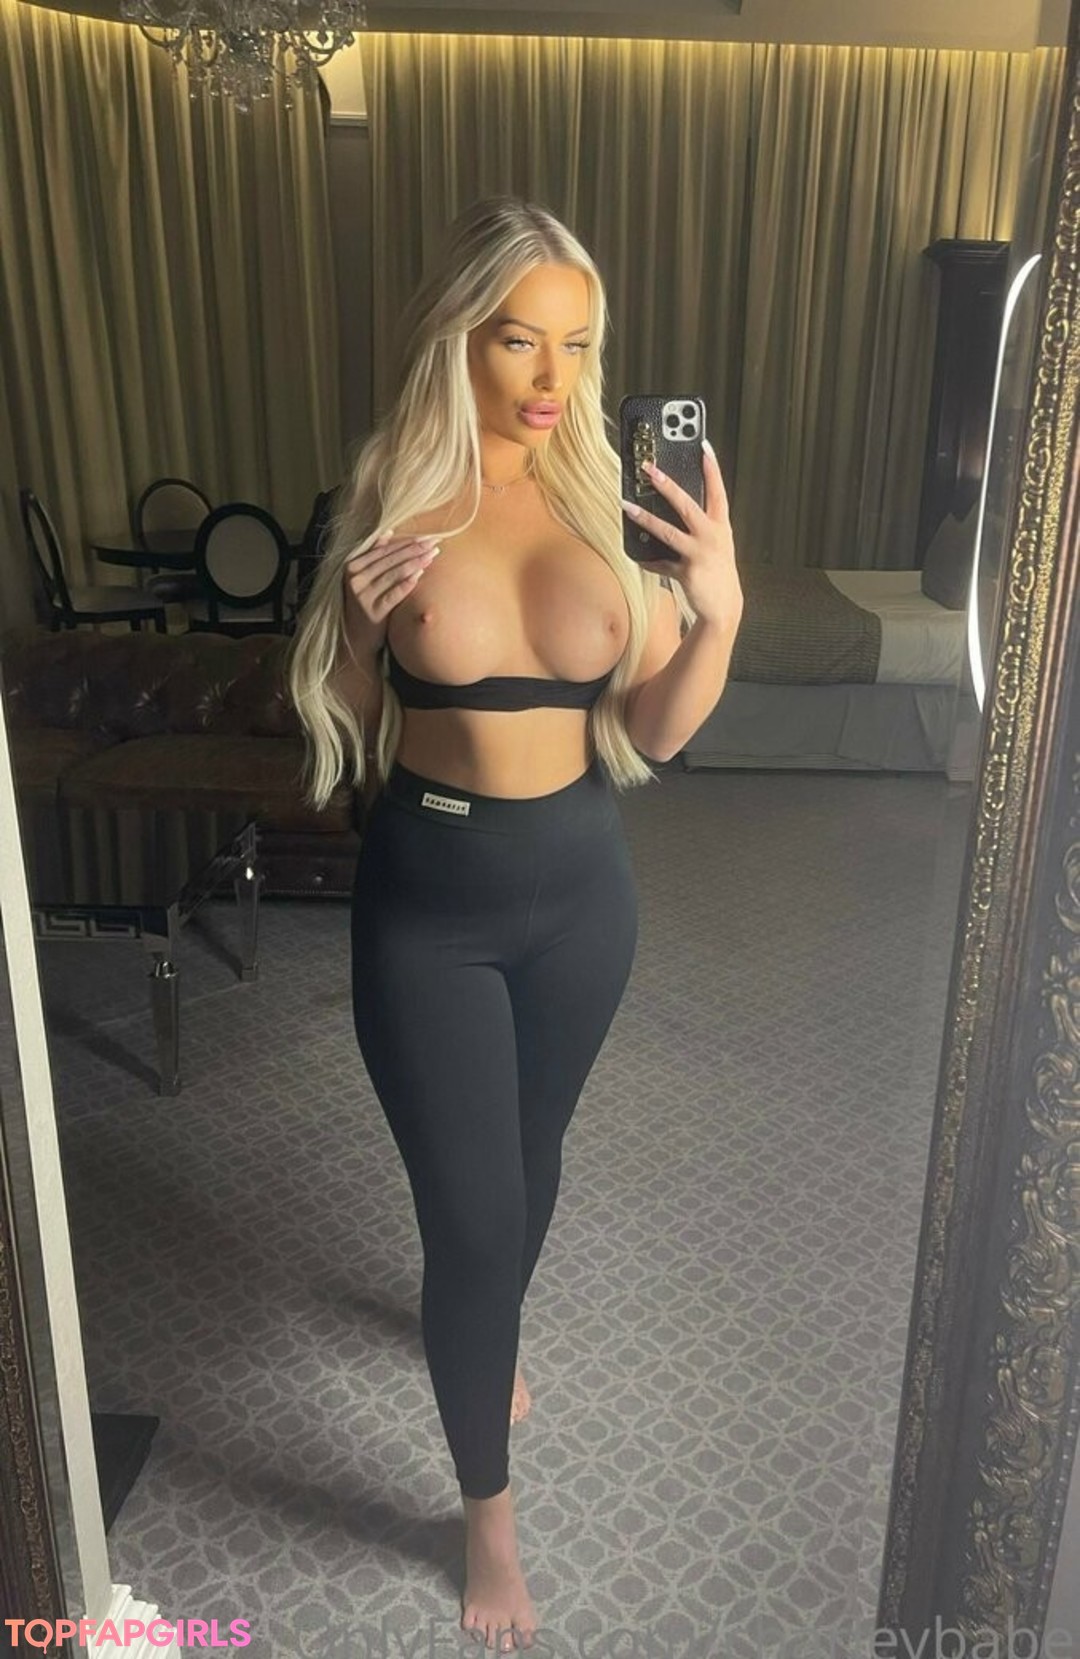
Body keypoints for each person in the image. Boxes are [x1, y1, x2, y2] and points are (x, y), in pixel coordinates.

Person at [287, 196, 743, 1653]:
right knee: (475, 1218)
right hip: (430, 905)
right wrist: (360, 636)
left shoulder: (608, 497)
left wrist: (719, 611)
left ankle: (483, 1334)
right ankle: (486, 1514)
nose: (553, 376)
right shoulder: (389, 498)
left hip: (582, 899)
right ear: (459, 339)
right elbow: (343, 724)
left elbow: (656, 731)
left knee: (531, 1161)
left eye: (578, 344)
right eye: (518, 339)